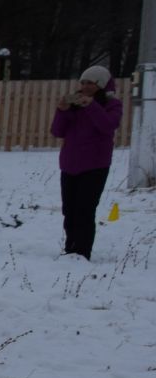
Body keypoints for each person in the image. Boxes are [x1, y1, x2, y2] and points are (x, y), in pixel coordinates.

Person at [51, 65, 122, 260]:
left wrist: (90, 106)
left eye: (90, 83)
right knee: (69, 210)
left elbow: (107, 126)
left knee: (85, 209)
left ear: (100, 85)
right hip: (69, 164)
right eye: (82, 82)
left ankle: (82, 252)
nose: (85, 86)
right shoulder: (74, 103)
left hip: (95, 165)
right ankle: (70, 248)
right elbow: (58, 131)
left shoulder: (111, 104)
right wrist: (62, 111)